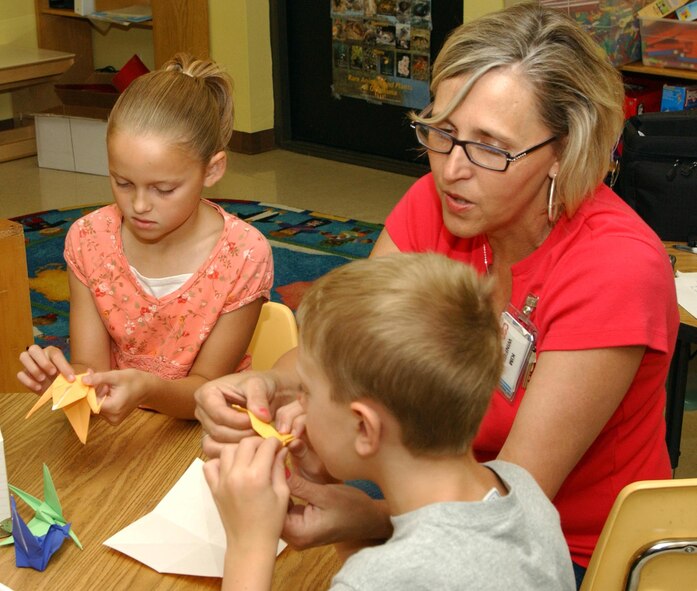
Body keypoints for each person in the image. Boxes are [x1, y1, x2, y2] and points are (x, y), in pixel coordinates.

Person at [195, 3, 679, 586]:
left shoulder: (616, 268)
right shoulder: (441, 202)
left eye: (490, 147)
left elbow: (511, 508)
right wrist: (267, 384)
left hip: (564, 548)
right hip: (439, 486)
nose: (451, 169)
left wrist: (367, 521)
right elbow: (352, 351)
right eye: (441, 132)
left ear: (564, 151)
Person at [203, 253, 576, 590]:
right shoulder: (521, 489)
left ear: (364, 427)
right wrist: (325, 483)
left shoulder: (384, 578)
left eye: (307, 391)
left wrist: (249, 544)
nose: (299, 403)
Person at [17, 53, 273, 425]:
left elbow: (206, 392)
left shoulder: (244, 255)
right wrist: (65, 382)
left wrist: (148, 389)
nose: (138, 205)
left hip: (203, 432)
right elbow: (90, 367)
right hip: (121, 428)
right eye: (122, 183)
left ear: (213, 169)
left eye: (163, 189)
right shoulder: (89, 240)